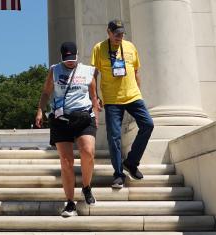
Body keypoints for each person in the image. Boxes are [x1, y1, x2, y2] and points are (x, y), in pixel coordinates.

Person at [34, 41, 101, 218]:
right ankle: (70, 202)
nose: (70, 62)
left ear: (78, 55)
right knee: (66, 161)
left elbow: (93, 95)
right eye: (67, 59)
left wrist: (96, 113)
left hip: (84, 117)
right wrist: (40, 110)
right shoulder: (54, 70)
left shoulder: (88, 70)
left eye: (73, 58)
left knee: (88, 152)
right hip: (60, 119)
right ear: (62, 57)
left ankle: (86, 187)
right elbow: (46, 92)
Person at [91, 19, 154, 190]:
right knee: (114, 137)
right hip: (112, 100)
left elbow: (136, 71)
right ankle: (118, 174)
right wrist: (95, 97)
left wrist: (139, 93)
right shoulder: (99, 48)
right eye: (116, 33)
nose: (119, 36)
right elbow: (93, 75)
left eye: (121, 33)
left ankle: (131, 162)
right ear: (108, 32)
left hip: (133, 96)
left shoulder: (131, 47)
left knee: (148, 124)